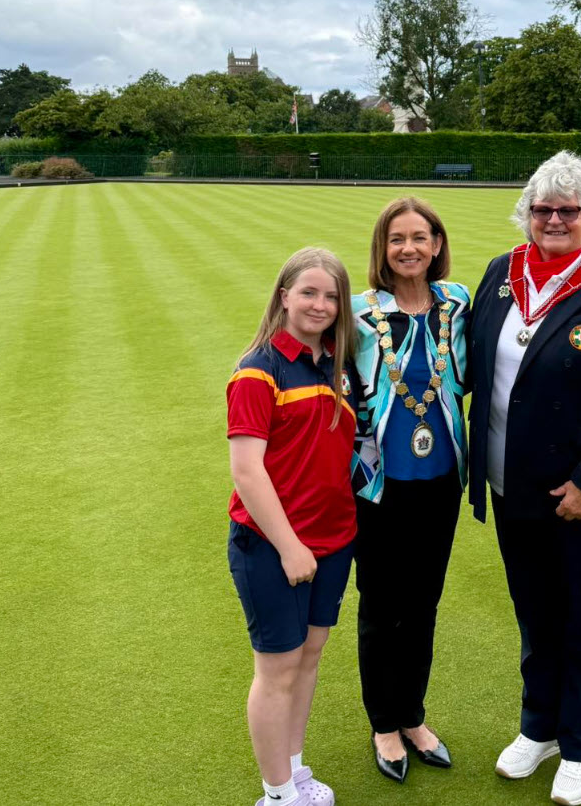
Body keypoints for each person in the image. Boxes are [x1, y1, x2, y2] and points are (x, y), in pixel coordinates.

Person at [468, 151, 581, 806]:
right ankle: (539, 726)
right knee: (534, 612)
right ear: (527, 213)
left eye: (567, 209)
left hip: (579, 496)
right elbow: (465, 363)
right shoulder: (499, 274)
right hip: (507, 483)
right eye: (542, 208)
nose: (553, 219)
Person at [226, 247, 360, 806]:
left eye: (331, 296)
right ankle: (277, 793)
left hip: (334, 541)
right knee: (277, 668)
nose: (320, 305)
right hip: (274, 548)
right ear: (284, 297)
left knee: (309, 657)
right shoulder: (258, 370)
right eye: (308, 292)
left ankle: (296, 771)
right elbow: (247, 472)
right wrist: (289, 548)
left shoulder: (337, 364)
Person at [351, 197, 471, 783]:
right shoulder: (357, 312)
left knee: (422, 604)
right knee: (381, 608)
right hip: (378, 485)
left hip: (441, 480)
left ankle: (413, 715)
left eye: (420, 237)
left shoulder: (457, 303)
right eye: (397, 238)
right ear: (383, 248)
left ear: (438, 244)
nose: (409, 249)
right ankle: (383, 723)